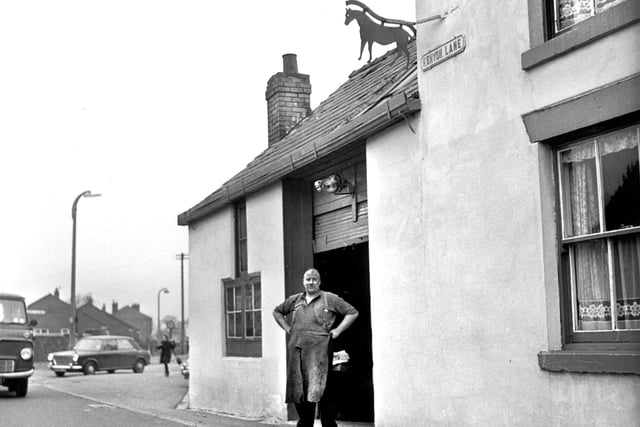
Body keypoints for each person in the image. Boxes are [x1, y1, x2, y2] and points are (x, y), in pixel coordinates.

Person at [273, 268, 359, 427]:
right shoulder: (295, 300)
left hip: (321, 356)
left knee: (325, 397)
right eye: (308, 279)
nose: (311, 282)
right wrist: (287, 328)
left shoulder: (329, 299)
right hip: (297, 355)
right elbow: (277, 311)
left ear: (319, 282)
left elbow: (352, 312)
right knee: (301, 396)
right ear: (303, 282)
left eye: (314, 279)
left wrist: (337, 331)